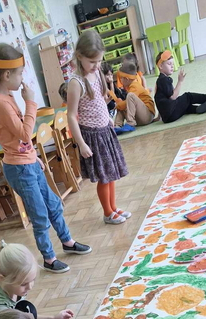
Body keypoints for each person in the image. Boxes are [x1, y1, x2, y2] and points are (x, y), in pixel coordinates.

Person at [0, 43, 91, 275]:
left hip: (27, 163)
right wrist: (31, 102)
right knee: (40, 215)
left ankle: (67, 242)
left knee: (53, 204)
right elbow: (23, 133)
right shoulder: (0, 103)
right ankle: (49, 258)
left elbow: (19, 138)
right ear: (7, 75)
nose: (22, 78)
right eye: (20, 73)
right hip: (19, 169)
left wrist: (33, 156)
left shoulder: (7, 95)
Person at [67, 29, 129, 225]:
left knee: (111, 173)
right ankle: (107, 212)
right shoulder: (76, 83)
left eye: (99, 61)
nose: (96, 65)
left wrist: (108, 118)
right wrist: (81, 144)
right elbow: (71, 116)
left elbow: (101, 99)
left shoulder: (98, 74)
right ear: (79, 56)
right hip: (92, 137)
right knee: (104, 176)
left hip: (105, 131)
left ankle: (113, 207)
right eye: (92, 62)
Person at [154, 50, 206, 123]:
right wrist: (180, 81)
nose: (172, 66)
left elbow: (159, 101)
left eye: (172, 64)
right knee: (188, 96)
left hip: (167, 118)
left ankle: (196, 109)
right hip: (172, 112)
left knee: (185, 106)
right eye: (169, 64)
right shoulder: (164, 80)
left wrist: (159, 117)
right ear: (161, 66)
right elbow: (173, 97)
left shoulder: (159, 81)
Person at [114, 60, 156, 128]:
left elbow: (127, 102)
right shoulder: (130, 86)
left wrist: (117, 105)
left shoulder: (135, 86)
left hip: (147, 115)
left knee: (129, 96)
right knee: (122, 106)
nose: (120, 80)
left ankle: (130, 122)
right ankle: (117, 125)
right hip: (141, 116)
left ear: (127, 79)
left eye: (121, 78)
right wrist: (119, 105)